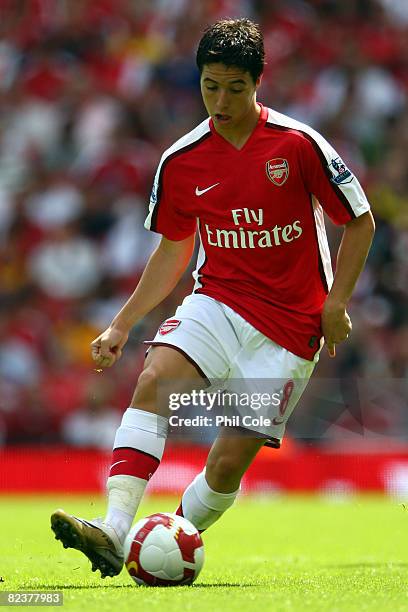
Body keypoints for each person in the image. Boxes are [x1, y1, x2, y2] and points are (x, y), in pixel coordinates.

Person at [51, 18, 375, 578]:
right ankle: (113, 529)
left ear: (257, 84)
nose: (220, 101)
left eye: (234, 88)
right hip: (218, 301)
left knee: (226, 465)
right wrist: (123, 324)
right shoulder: (182, 160)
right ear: (198, 80)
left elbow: (361, 220)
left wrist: (337, 302)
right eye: (210, 86)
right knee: (154, 380)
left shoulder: (298, 146)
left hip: (292, 327)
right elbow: (174, 250)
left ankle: (166, 540)